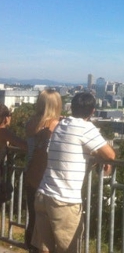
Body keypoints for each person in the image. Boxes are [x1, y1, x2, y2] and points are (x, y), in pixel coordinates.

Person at [32, 92, 116, 253]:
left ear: (72, 108)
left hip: (43, 194)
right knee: (69, 248)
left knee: (44, 249)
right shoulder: (85, 127)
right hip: (64, 200)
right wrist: (101, 159)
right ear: (92, 111)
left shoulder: (61, 124)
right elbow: (110, 154)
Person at [24, 89, 62, 252]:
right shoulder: (54, 125)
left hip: (30, 174)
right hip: (47, 178)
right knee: (51, 225)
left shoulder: (31, 122)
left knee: (33, 219)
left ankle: (30, 247)